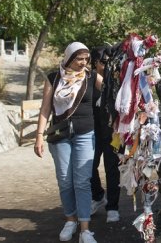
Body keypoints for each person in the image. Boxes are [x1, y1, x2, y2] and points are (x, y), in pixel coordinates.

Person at [35, 42, 102, 243]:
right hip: (60, 136)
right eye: (78, 59)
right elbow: (45, 109)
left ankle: (85, 229)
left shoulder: (91, 77)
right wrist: (39, 135)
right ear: (68, 58)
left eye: (86, 59)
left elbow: (113, 90)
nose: (83, 63)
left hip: (85, 134)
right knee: (65, 180)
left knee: (82, 181)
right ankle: (70, 220)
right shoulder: (54, 78)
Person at [89, 46, 121, 223]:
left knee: (112, 168)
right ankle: (98, 195)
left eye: (109, 61)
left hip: (111, 132)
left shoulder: (114, 81)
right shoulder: (90, 79)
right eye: (103, 62)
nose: (107, 65)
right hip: (92, 132)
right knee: (89, 167)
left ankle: (113, 207)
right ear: (95, 63)